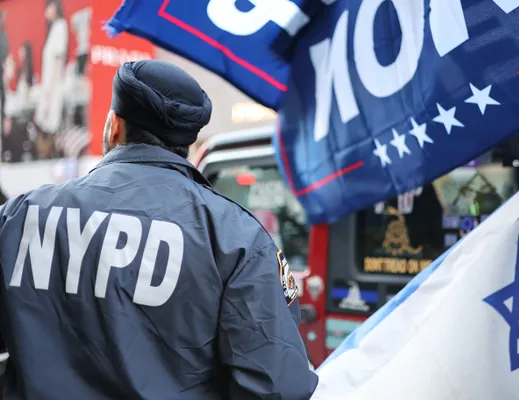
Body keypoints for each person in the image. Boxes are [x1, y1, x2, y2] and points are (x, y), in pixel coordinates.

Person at [0, 60, 318, 399]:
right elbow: (276, 387)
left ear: (114, 126)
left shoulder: (21, 217)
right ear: (187, 145)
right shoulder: (236, 239)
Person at [33, 0, 68, 158]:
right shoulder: (54, 28)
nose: (46, 11)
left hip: (53, 84)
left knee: (50, 120)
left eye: (48, 7)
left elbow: (57, 61)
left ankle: (52, 153)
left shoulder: (61, 26)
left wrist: (50, 90)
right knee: (44, 120)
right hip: (49, 84)